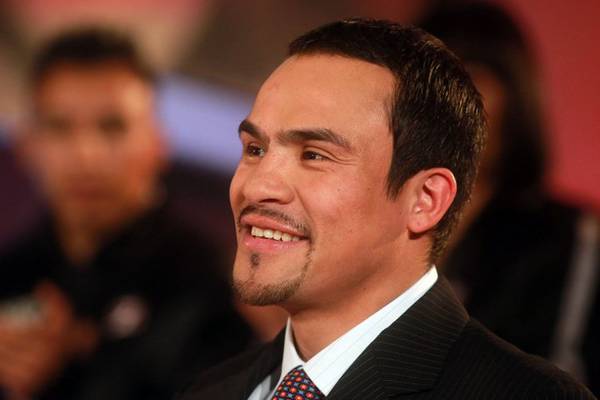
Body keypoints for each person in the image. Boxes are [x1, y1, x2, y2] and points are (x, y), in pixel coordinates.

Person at [177, 18, 595, 400]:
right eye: (255, 149)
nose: (257, 186)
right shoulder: (210, 392)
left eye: (314, 155)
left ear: (426, 200)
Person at [0, 28, 252, 400]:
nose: (86, 155)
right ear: (27, 146)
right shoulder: (10, 274)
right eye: (60, 127)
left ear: (158, 143)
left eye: (112, 127)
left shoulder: (216, 284)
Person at [421, 3, 599, 395]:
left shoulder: (568, 237)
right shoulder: (374, 219)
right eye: (427, 81)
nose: (444, 104)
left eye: (469, 78)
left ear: (515, 95)